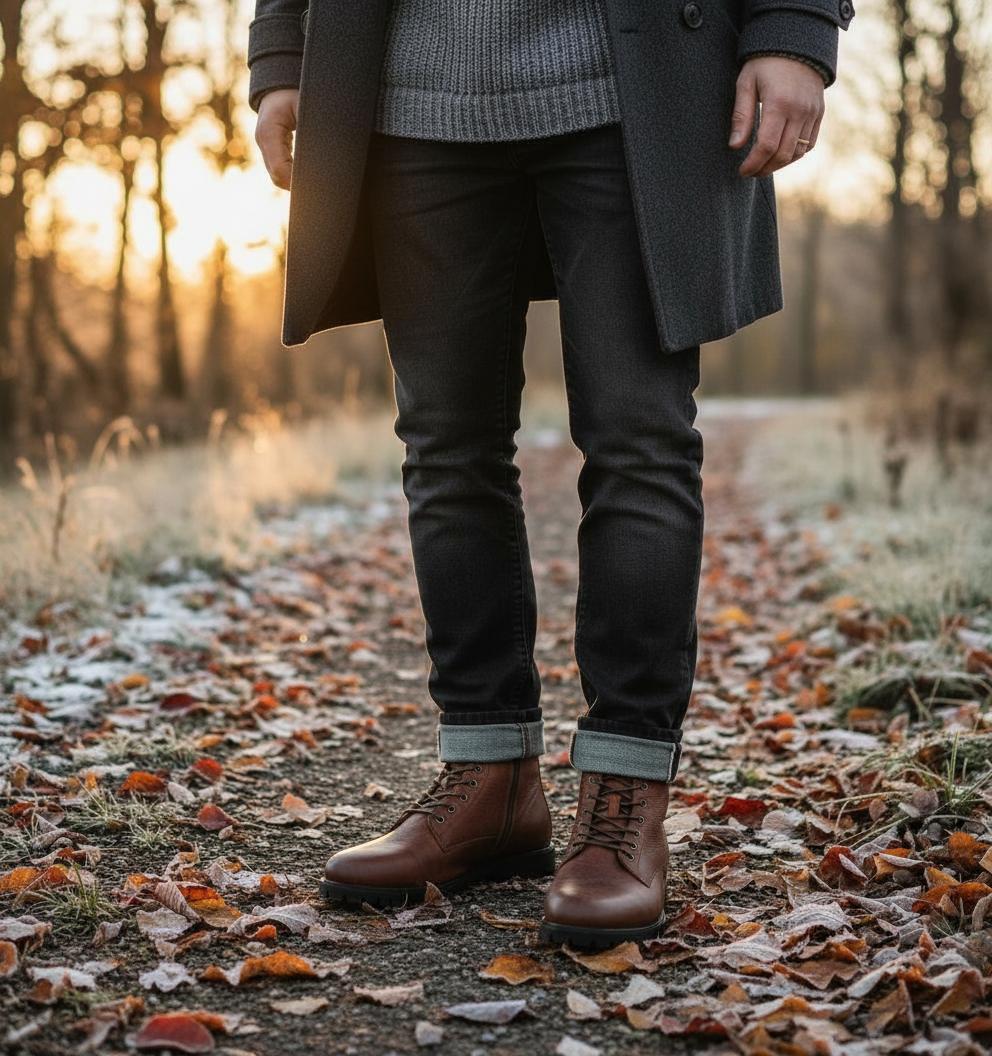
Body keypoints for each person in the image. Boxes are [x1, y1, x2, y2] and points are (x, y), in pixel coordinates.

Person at [247, 0, 854, 948]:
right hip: (410, 96)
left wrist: (796, 28)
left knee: (638, 441)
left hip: (638, 83)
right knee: (445, 448)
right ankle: (490, 781)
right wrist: (284, 53)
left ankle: (623, 797)